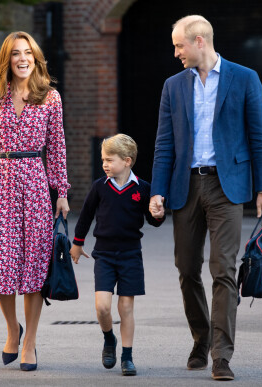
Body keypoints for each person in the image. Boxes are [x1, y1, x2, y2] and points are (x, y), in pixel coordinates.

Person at [149, 15, 262, 381]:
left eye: (179, 45)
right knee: (187, 268)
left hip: (227, 186)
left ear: (199, 40)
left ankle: (221, 354)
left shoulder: (245, 78)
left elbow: (259, 137)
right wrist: (157, 190)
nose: (175, 53)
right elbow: (164, 144)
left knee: (223, 269)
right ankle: (201, 337)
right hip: (184, 186)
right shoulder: (173, 86)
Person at [0, 31, 70, 371]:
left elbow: (57, 148)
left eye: (28, 53)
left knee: (35, 269)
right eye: (15, 54)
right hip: (4, 184)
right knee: (4, 266)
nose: (22, 59)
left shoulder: (50, 98)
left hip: (36, 184)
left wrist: (62, 191)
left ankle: (31, 343)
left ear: (36, 58)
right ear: (6, 60)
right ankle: (12, 330)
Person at [69, 134, 165, 376]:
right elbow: (86, 216)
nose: (105, 164)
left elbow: (153, 222)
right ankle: (108, 338)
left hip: (131, 254)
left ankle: (127, 356)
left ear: (127, 161)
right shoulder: (99, 187)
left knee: (126, 307)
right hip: (104, 254)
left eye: (109, 160)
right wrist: (77, 244)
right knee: (102, 307)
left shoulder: (143, 189)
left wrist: (158, 213)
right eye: (103, 159)